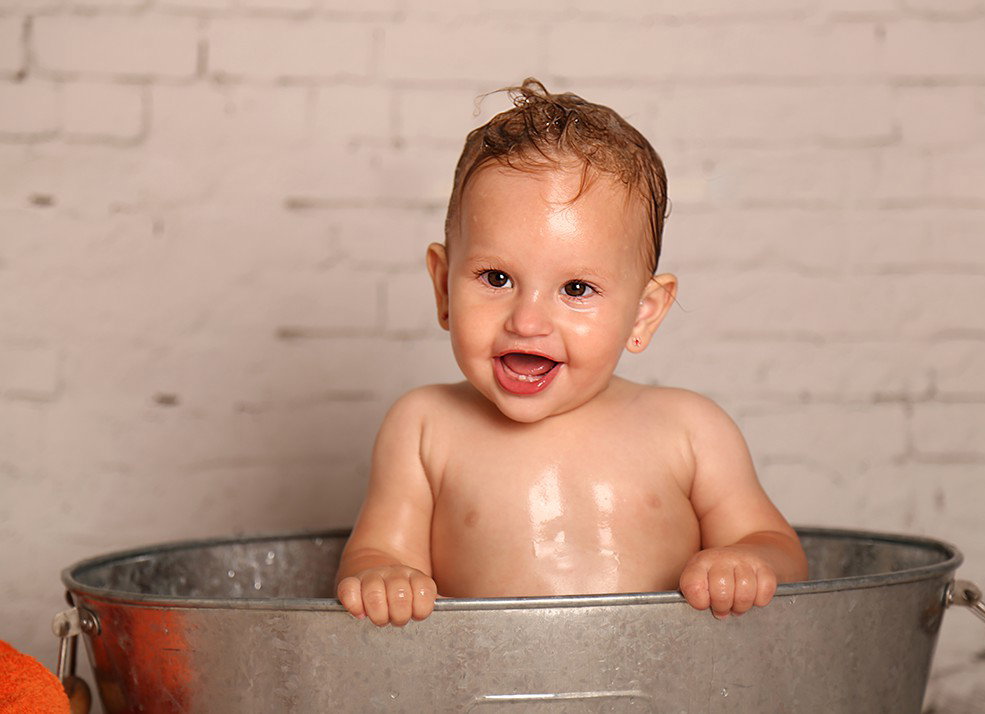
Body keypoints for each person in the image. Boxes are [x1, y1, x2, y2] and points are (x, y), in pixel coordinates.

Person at [336, 78, 807, 627]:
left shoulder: (690, 430)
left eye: (576, 289)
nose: (528, 321)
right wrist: (383, 577)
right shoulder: (424, 428)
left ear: (642, 314)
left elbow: (778, 547)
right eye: (496, 277)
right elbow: (376, 554)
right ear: (443, 288)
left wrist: (745, 560)